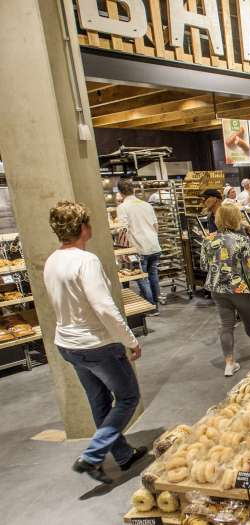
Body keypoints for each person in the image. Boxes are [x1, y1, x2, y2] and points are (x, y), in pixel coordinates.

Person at [44, 201, 147, 484]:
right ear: (83, 228)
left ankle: (123, 455)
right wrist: (130, 340)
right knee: (127, 397)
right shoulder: (85, 261)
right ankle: (91, 456)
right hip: (96, 344)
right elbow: (104, 308)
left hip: (67, 344)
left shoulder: (53, 260)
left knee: (99, 400)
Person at [200, 203, 250, 376]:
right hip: (239, 288)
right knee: (248, 320)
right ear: (236, 219)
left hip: (217, 288)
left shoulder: (208, 239)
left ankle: (229, 363)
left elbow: (204, 266)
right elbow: (248, 268)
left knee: (225, 325)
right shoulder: (241, 240)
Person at [116, 179, 162, 314]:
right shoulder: (146, 205)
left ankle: (152, 308)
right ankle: (156, 305)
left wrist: (123, 250)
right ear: (134, 190)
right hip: (154, 245)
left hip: (139, 247)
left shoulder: (122, 207)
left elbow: (122, 229)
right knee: (153, 275)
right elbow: (156, 226)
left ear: (120, 192)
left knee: (143, 278)